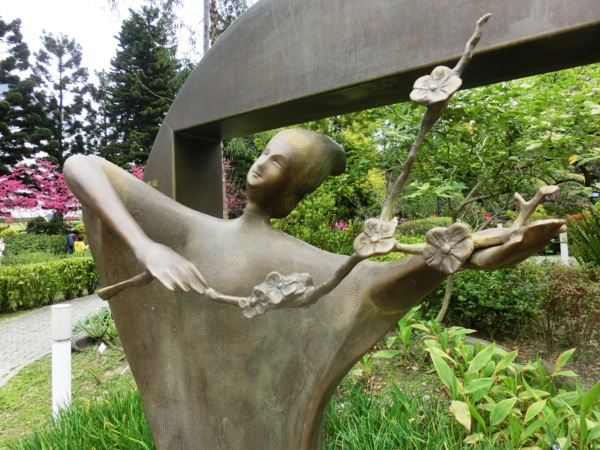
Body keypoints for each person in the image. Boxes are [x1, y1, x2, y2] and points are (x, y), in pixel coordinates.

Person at [63, 129, 565, 449]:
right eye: (265, 152)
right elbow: (81, 166)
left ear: (293, 188)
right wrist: (145, 246)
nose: (261, 163)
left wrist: (465, 258)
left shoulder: (305, 263)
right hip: (196, 415)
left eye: (278, 162)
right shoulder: (196, 231)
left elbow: (377, 288)